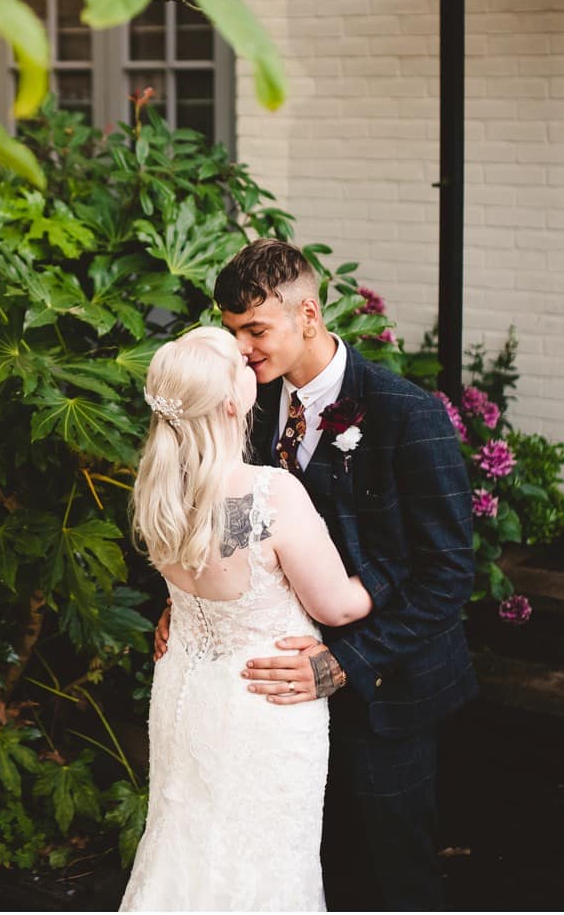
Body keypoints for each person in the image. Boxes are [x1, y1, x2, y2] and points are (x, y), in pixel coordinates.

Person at [152, 238, 476, 911]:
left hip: (385, 687)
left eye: (255, 329)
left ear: (308, 313)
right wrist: (208, 605)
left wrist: (343, 662)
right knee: (304, 868)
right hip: (272, 708)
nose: (242, 349)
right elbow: (243, 528)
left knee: (393, 877)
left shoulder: (407, 415)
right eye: (234, 332)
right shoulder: (247, 403)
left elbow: (447, 577)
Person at [119, 326, 374, 913]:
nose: (250, 358)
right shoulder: (266, 495)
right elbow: (334, 604)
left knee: (185, 850)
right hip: (265, 701)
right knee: (263, 866)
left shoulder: (163, 490)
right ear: (234, 401)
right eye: (238, 359)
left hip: (187, 693)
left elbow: (218, 565)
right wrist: (389, 579)